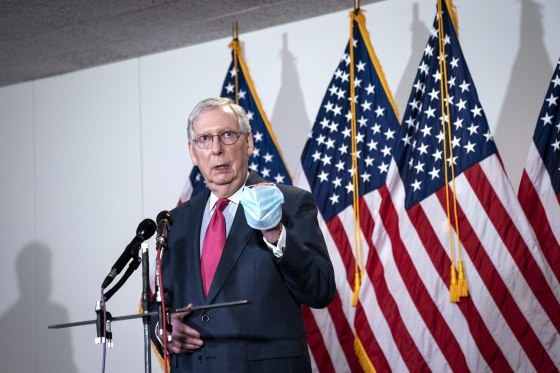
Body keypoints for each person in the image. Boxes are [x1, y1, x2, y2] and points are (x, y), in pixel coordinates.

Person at [150, 97, 335, 372]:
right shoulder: (176, 220)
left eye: (227, 135)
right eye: (204, 139)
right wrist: (162, 328)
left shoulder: (290, 203)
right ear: (193, 152)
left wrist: (276, 233)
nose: (216, 149)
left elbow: (321, 290)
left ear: (247, 143)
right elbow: (162, 299)